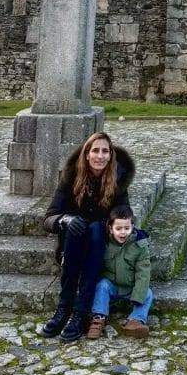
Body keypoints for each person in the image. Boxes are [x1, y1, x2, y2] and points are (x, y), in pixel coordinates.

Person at [41, 131, 135, 343]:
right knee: (78, 226)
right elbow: (49, 217)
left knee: (94, 229)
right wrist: (65, 220)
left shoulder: (118, 180)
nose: (100, 156)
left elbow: (124, 215)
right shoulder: (71, 177)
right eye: (95, 151)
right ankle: (63, 308)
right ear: (86, 154)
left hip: (99, 246)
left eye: (105, 151)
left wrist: (112, 225)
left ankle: (80, 312)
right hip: (72, 245)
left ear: (111, 155)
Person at [86, 205, 153, 339]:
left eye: (127, 228)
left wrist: (138, 296)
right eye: (118, 228)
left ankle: (135, 321)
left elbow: (143, 272)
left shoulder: (140, 246)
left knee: (148, 293)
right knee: (102, 285)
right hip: (111, 285)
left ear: (133, 226)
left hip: (130, 287)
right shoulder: (104, 243)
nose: (123, 232)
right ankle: (99, 317)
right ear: (110, 228)